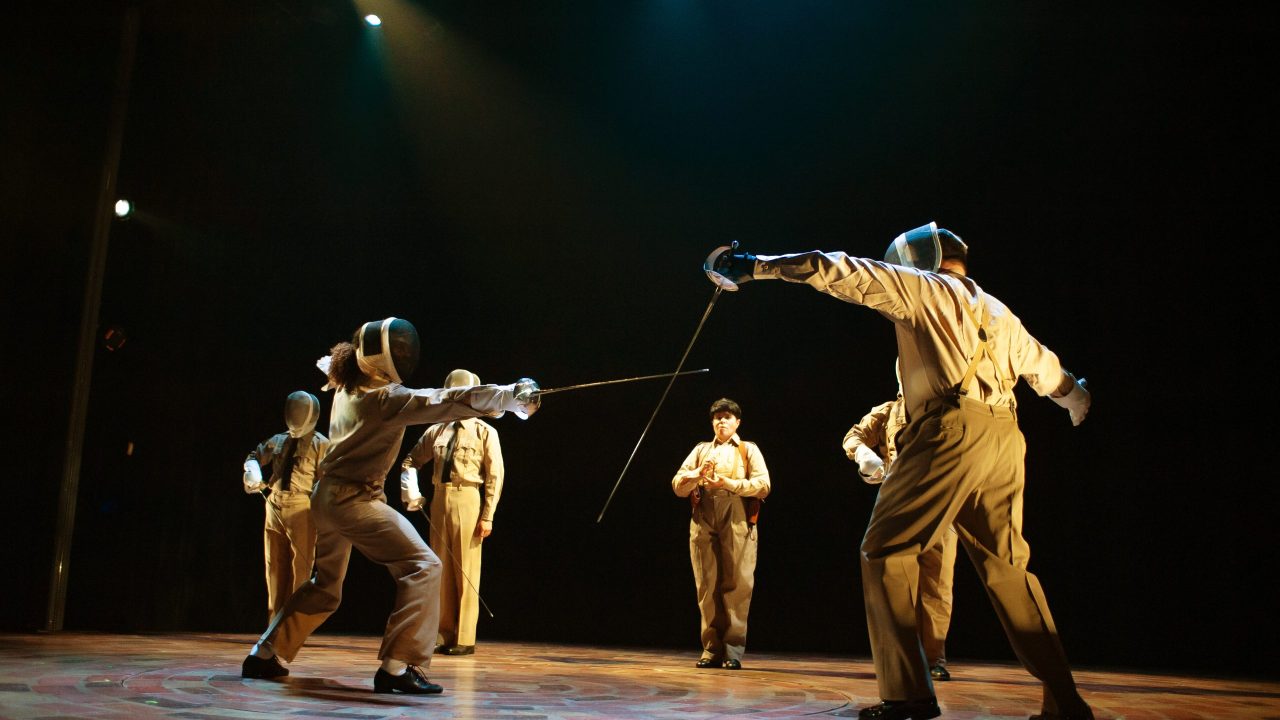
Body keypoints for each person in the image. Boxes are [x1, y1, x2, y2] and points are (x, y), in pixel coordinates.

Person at [707, 223, 1093, 720]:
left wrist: (758, 266)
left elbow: (838, 269)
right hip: (1006, 438)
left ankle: (908, 695)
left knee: (885, 548)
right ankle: (1064, 698)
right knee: (1010, 570)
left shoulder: (923, 287)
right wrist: (1076, 397)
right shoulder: (999, 311)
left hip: (951, 430)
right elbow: (1049, 373)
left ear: (915, 261)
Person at [240, 317, 540, 696]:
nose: (403, 354)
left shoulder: (348, 385)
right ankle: (397, 666)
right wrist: (509, 395)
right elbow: (442, 400)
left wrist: (506, 400)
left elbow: (334, 371)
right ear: (380, 359)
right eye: (396, 349)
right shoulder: (386, 399)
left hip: (324, 498)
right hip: (354, 500)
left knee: (326, 586)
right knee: (424, 566)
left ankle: (265, 653)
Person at [843, 383, 958, 683]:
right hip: (899, 497)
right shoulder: (888, 410)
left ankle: (934, 657)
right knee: (894, 580)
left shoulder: (946, 406)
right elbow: (853, 436)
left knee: (937, 582)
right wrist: (864, 455)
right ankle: (902, 657)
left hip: (940, 500)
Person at [400, 368, 505, 656]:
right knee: (441, 568)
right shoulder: (437, 429)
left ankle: (464, 637)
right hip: (439, 498)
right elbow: (410, 460)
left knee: (466, 568)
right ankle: (444, 633)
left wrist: (488, 515)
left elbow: (495, 475)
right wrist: (411, 489)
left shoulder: (485, 432)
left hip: (467, 498)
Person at [671, 398, 771, 671]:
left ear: (737, 422)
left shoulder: (747, 449)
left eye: (727, 417)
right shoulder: (701, 450)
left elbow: (763, 485)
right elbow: (678, 486)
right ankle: (711, 649)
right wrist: (696, 474)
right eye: (717, 417)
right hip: (703, 516)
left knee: (737, 585)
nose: (721, 421)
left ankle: (733, 651)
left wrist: (729, 483)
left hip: (736, 516)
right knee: (707, 585)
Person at [242, 391, 330, 622]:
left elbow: (327, 479)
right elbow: (254, 455)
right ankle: (274, 621)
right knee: (274, 564)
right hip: (274, 502)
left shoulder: (321, 445)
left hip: (302, 505)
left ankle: (293, 622)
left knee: (300, 567)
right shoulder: (280, 439)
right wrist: (252, 471)